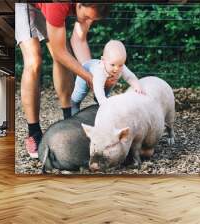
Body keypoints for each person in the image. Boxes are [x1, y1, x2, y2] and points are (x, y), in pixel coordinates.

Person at [15, 3, 110, 158]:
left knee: (64, 58)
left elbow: (79, 40)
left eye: (92, 19)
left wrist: (96, 76)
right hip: (26, 4)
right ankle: (33, 132)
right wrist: (88, 77)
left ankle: (69, 118)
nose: (88, 21)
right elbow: (60, 52)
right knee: (34, 61)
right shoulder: (59, 3)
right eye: (86, 17)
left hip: (47, 6)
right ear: (79, 4)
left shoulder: (89, 8)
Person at [71, 40, 145, 115]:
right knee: (79, 94)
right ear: (103, 61)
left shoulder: (121, 67)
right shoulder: (100, 71)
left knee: (107, 89)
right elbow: (98, 87)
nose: (116, 69)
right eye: (112, 65)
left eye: (120, 65)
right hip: (87, 70)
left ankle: (99, 99)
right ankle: (74, 104)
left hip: (106, 81)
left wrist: (137, 86)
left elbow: (129, 77)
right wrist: (103, 102)